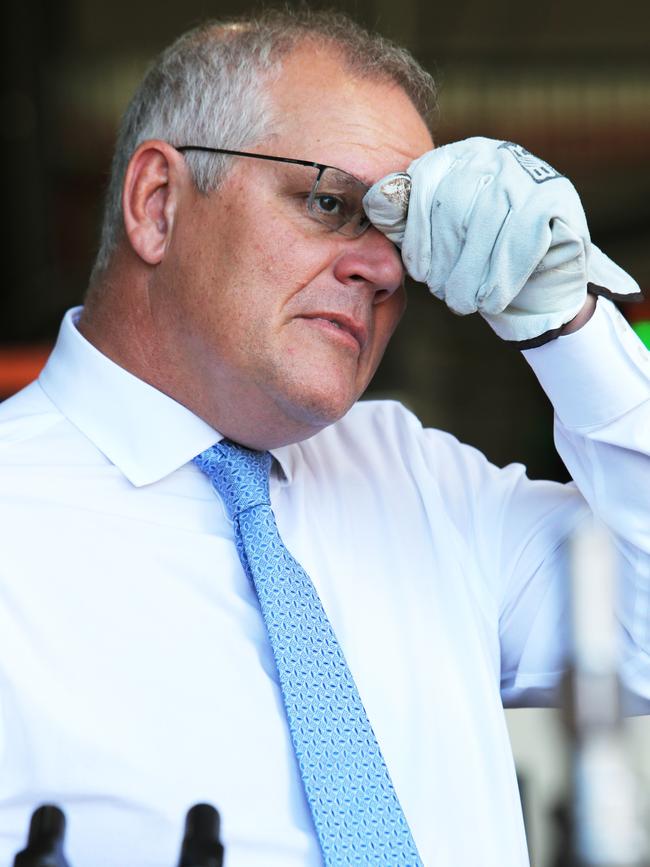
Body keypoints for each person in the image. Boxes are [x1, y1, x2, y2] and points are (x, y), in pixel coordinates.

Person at [0, 9, 648, 867]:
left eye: (403, 233)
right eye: (331, 202)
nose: (382, 268)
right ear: (158, 204)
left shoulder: (422, 480)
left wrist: (567, 322)